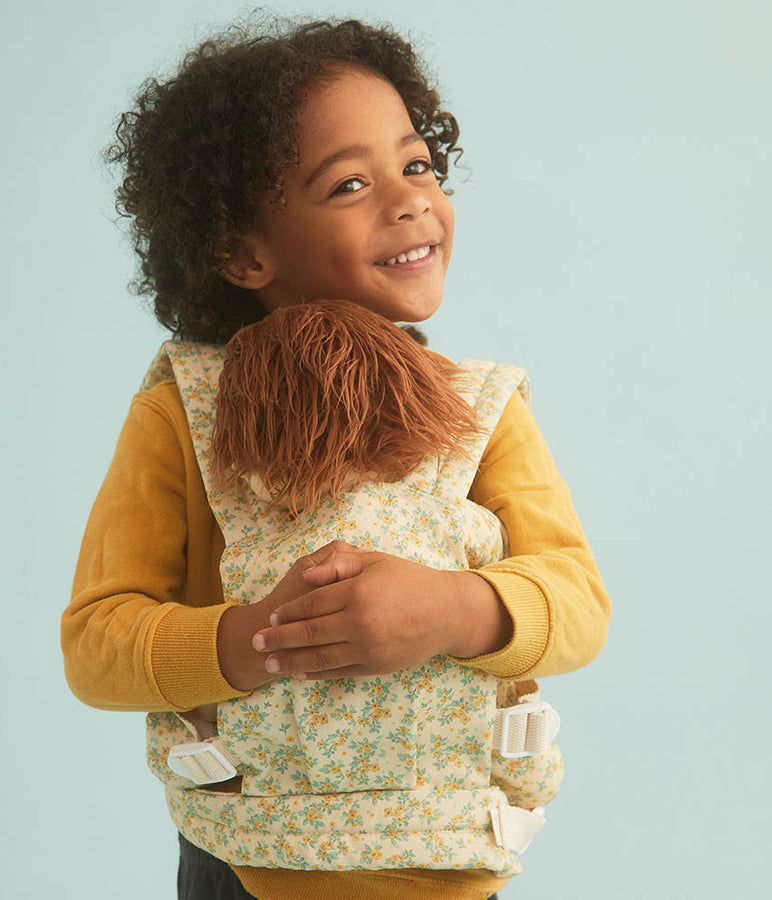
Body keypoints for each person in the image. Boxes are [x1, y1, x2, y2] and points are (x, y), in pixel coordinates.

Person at [61, 16, 610, 900]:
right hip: (246, 858)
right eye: (349, 182)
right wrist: (251, 643)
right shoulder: (185, 410)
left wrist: (455, 610)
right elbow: (95, 645)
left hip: (452, 853)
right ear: (243, 251)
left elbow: (579, 603)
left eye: (419, 164)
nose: (409, 199)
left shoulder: (480, 408)